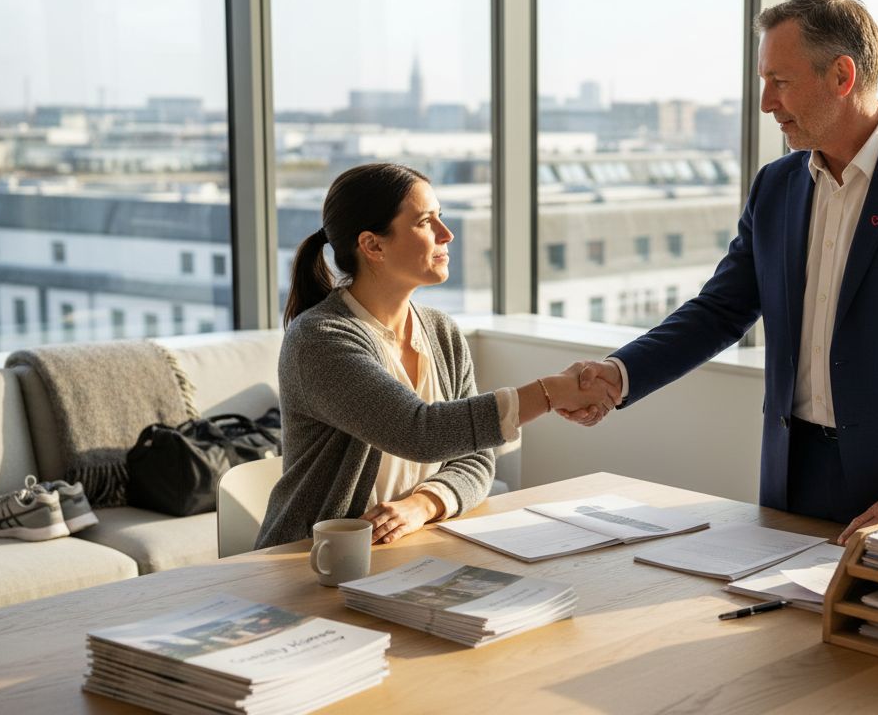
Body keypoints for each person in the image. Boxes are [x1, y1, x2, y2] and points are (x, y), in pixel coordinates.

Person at [564, 0, 878, 543]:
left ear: (842, 76)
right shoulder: (775, 186)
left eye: (780, 81)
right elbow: (720, 310)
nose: (765, 103)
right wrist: (620, 374)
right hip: (794, 477)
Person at [256, 163, 617, 548]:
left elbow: (476, 459)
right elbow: (420, 432)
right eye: (426, 222)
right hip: (311, 558)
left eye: (440, 218)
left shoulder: (440, 331)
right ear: (373, 245)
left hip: (408, 548)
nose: (447, 234)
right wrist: (551, 392)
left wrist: (422, 505)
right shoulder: (319, 339)